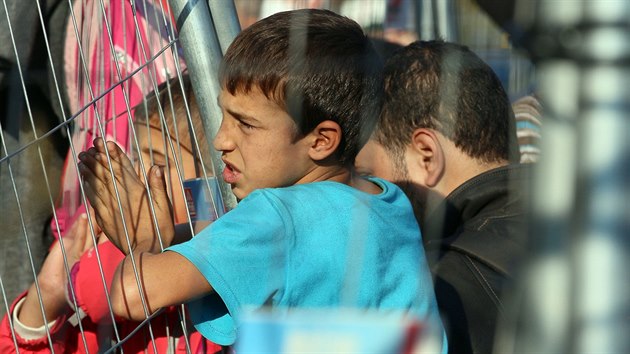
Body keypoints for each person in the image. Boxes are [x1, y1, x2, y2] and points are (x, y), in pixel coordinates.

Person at [77, 9, 447, 352]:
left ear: (321, 141)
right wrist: (171, 239)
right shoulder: (387, 201)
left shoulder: (278, 214)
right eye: (224, 115)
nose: (222, 139)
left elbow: (131, 294)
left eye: (246, 124)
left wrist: (141, 243)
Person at [0, 77, 223, 353]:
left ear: (213, 182)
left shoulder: (227, 251)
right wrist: (44, 298)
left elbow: (103, 286)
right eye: (137, 158)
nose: (138, 175)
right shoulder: (110, 282)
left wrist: (74, 281)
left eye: (158, 161)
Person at [355, 40, 530, 354]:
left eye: (367, 173)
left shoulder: (438, 286)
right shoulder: (594, 227)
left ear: (427, 156)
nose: (365, 192)